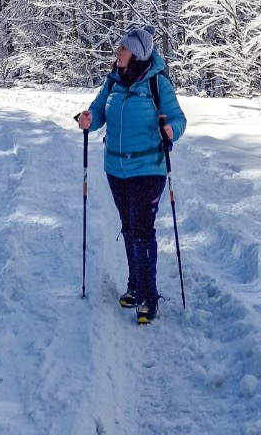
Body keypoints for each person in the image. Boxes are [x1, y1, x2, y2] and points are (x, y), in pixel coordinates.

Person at [77, 25, 186, 323]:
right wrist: (87, 119)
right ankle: (135, 285)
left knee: (142, 229)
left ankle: (149, 296)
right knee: (128, 226)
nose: (117, 53)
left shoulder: (157, 84)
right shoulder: (112, 82)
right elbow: (98, 111)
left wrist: (170, 129)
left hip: (148, 166)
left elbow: (178, 118)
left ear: (136, 54)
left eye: (122, 49)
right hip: (116, 168)